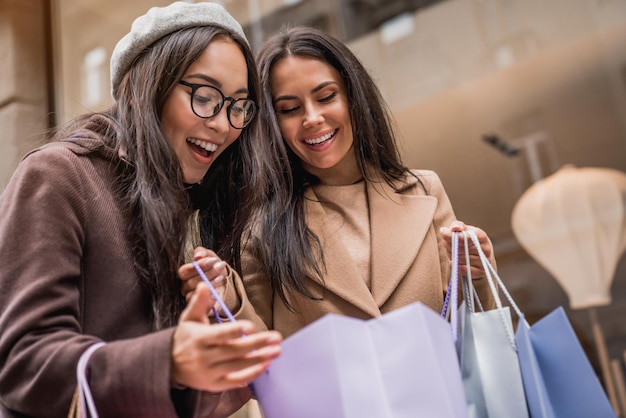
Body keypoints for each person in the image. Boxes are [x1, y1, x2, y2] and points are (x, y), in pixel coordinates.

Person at [0, 2, 283, 417]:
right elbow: (22, 359)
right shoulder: (58, 175)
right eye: (204, 96)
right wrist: (168, 360)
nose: (224, 125)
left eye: (238, 106)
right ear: (136, 90)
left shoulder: (189, 203)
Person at [181, 26, 497, 339]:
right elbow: (260, 359)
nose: (312, 118)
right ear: (272, 124)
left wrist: (477, 273)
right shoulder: (260, 228)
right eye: (289, 109)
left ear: (353, 96)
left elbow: (475, 334)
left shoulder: (425, 190)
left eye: (326, 97)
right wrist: (227, 299)